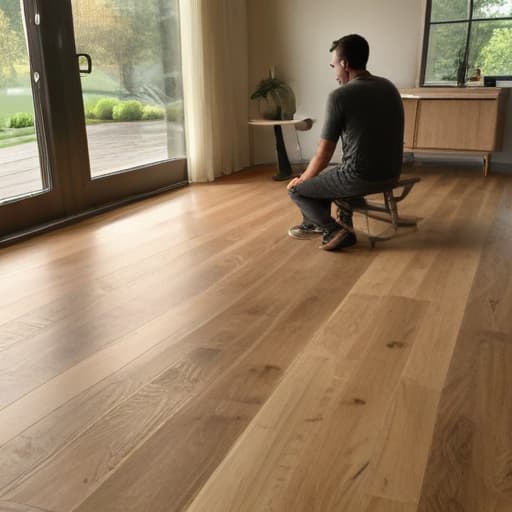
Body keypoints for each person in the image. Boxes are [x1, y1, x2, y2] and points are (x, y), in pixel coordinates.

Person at [287, 34, 404, 251]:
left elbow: (324, 153)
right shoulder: (389, 87)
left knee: (298, 189)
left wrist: (301, 180)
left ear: (345, 64)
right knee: (326, 177)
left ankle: (333, 229)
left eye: (334, 67)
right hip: (392, 174)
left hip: (361, 177)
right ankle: (320, 222)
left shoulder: (340, 96)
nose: (335, 74)